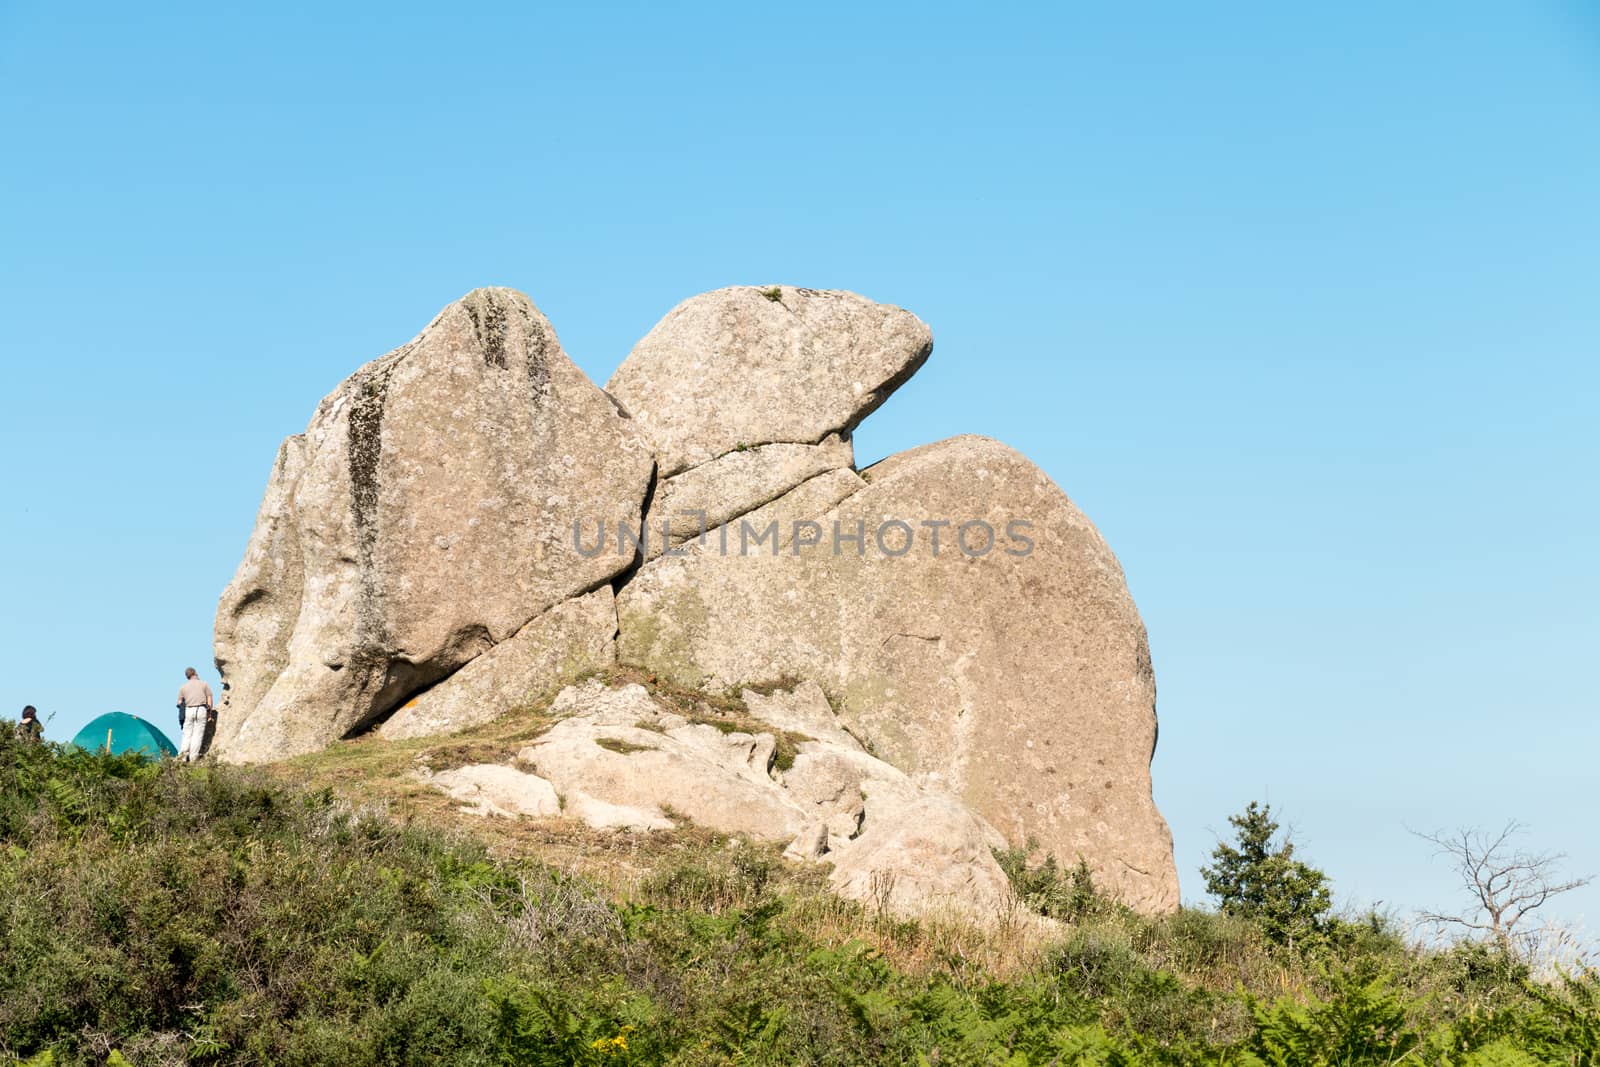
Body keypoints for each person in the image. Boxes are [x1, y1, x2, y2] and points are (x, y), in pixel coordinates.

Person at [176, 668, 214, 762]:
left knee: (187, 734)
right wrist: (209, 714)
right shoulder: (204, 684)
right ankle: (193, 759)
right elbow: (209, 699)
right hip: (200, 709)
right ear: (195, 673)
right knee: (197, 734)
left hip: (188, 710)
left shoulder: (183, 687)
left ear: (187, 676)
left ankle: (182, 758)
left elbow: (179, 702)